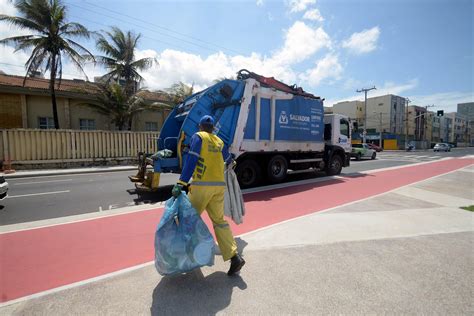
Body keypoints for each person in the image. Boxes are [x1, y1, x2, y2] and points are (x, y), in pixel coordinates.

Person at [172, 115, 245, 276]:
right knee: (220, 222)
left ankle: (186, 257)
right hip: (219, 188)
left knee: (188, 219)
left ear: (200, 127)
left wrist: (181, 183)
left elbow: (191, 160)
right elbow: (229, 160)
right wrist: (230, 160)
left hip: (201, 186)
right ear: (213, 129)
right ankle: (234, 257)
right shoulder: (219, 142)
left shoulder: (199, 137)